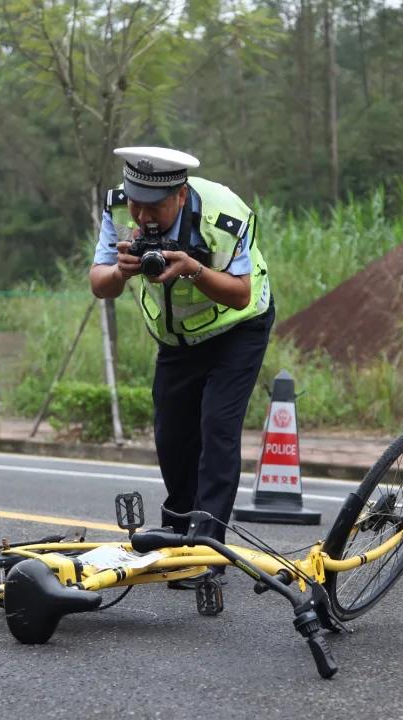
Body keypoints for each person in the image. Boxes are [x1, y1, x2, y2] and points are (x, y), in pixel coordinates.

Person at [89, 146, 273, 587]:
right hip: (175, 340)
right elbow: (99, 282)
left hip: (236, 330)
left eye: (154, 207)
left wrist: (193, 269)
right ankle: (177, 532)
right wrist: (122, 272)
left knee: (217, 427)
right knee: (171, 434)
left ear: (181, 194)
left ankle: (206, 549)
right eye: (137, 203)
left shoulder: (226, 217)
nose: (143, 215)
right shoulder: (117, 208)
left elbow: (241, 294)